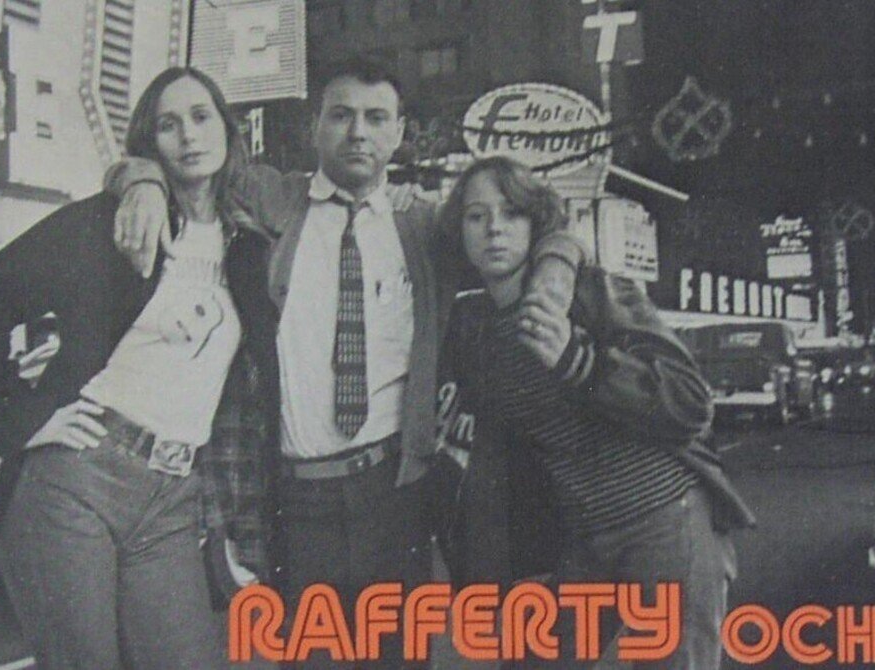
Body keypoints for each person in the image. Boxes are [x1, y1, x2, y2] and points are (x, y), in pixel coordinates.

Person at [104, 57, 584, 665]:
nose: (358, 132)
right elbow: (181, 165)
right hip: (297, 499)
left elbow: (547, 222)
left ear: (399, 132)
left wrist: (555, 275)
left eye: (376, 118)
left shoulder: (425, 225)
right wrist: (141, 183)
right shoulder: (273, 197)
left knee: (399, 659)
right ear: (315, 126)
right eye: (341, 116)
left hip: (396, 494)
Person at [0, 67, 276, 669]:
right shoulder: (109, 224)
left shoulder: (247, 241)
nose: (189, 136)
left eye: (201, 117)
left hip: (173, 496)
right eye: (168, 125)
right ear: (149, 144)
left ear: (228, 130)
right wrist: (23, 419)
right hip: (77, 483)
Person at [434, 157, 755, 669]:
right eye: (477, 216)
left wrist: (579, 363)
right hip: (583, 535)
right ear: (460, 231)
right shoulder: (475, 326)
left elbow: (691, 400)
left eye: (512, 213)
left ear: (536, 224)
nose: (494, 228)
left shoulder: (590, 292)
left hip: (665, 518)